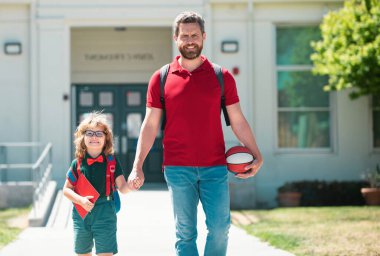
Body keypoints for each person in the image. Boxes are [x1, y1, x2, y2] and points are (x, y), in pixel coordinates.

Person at [128, 11, 263, 256]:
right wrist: (138, 165)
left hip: (215, 167)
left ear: (204, 37)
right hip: (177, 168)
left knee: (220, 228)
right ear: (176, 38)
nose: (190, 40)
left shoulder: (221, 77)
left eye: (195, 35)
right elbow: (149, 125)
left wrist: (256, 154)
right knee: (185, 233)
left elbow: (238, 120)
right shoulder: (161, 78)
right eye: (185, 35)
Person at [63, 112, 139, 256]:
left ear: (106, 138)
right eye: (90, 133)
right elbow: (66, 190)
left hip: (105, 213)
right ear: (82, 137)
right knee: (82, 252)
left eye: (99, 134)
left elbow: (122, 187)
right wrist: (80, 200)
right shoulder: (77, 163)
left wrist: (131, 185)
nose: (94, 137)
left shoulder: (112, 162)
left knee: (105, 253)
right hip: (81, 214)